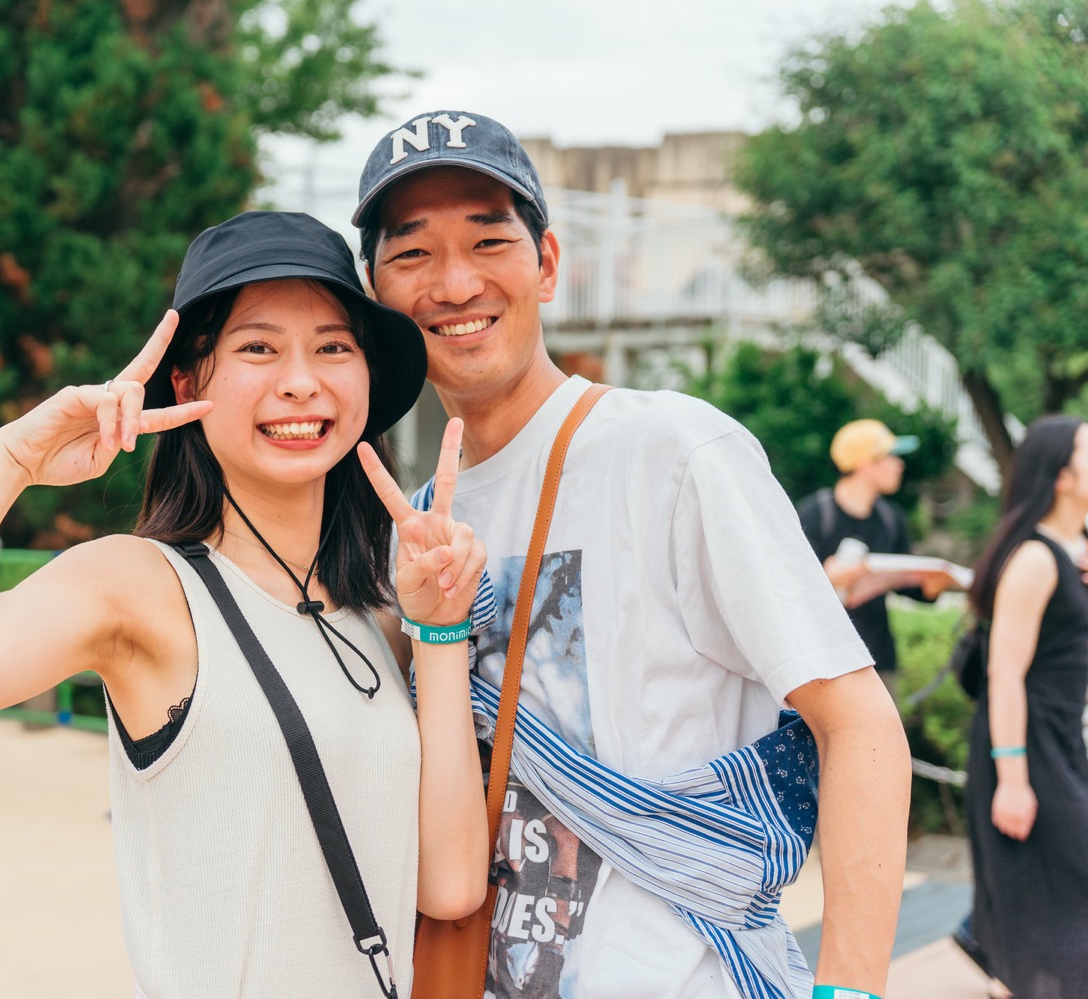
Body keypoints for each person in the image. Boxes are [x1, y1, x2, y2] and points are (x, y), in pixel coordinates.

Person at [0, 211, 490, 998]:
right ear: (187, 383)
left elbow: (450, 884)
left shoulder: (376, 618)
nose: (301, 381)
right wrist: (7, 459)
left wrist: (440, 626)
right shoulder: (140, 586)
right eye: (258, 348)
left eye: (332, 347)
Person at [354, 110, 910, 999]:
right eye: (412, 253)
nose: (454, 283)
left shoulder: (674, 451)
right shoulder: (413, 525)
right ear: (374, 291)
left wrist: (850, 989)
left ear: (547, 264)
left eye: (489, 240)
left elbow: (858, 722)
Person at [961, 414, 1088, 999]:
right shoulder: (1034, 559)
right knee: (1045, 894)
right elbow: (1004, 674)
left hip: (1061, 740)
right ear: (1062, 475)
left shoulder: (1073, 553)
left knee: (1054, 893)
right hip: (1024, 745)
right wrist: (1012, 780)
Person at [796, 419, 944, 697]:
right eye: (892, 456)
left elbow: (908, 584)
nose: (899, 464)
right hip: (823, 663)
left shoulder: (891, 518)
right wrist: (833, 576)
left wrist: (935, 585)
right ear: (865, 464)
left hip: (877, 661)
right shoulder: (814, 515)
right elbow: (792, 587)